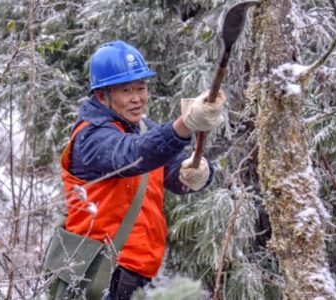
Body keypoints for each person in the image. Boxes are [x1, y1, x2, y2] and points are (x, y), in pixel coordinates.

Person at [60, 40, 226, 299]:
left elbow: (169, 167)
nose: (137, 98)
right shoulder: (89, 137)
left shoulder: (144, 128)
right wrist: (184, 124)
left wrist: (197, 173)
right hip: (98, 275)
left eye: (141, 87)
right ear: (103, 95)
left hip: (139, 272)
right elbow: (132, 154)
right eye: (126, 90)